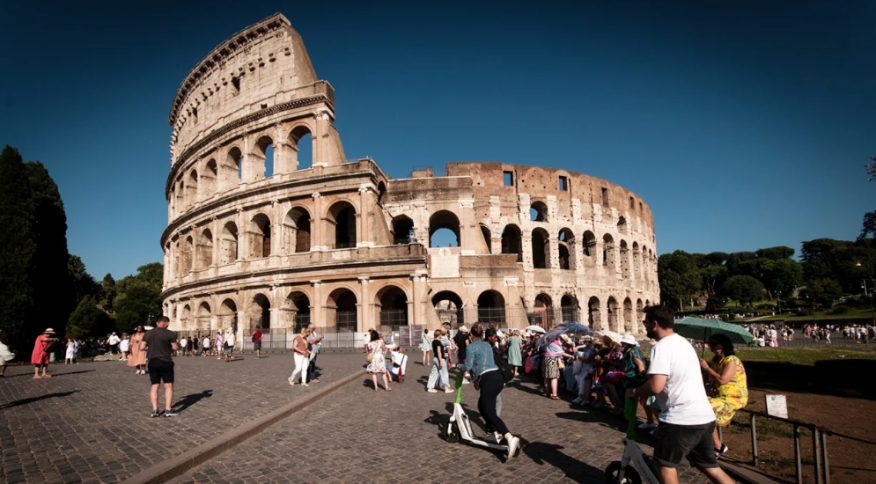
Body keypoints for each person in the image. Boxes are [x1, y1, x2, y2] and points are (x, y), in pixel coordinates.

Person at [628, 306, 734, 484]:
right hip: (704, 416)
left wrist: (635, 392)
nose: (644, 327)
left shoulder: (661, 347)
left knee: (665, 465)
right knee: (709, 466)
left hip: (680, 419)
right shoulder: (684, 343)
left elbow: (655, 386)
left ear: (654, 323)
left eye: (645, 323)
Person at [457, 325, 520, 458]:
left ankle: (509, 437)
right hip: (497, 377)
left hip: (487, 379)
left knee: (490, 412)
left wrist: (458, 365)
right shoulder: (487, 345)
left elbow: (467, 365)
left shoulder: (471, 347)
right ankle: (494, 434)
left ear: (471, 335)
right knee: (481, 406)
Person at [700, 334, 748, 458]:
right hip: (717, 395)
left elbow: (723, 380)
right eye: (709, 343)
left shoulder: (731, 360)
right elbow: (709, 378)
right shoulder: (716, 360)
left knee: (704, 410)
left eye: (714, 343)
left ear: (723, 345)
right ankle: (715, 444)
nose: (710, 346)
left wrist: (706, 368)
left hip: (733, 397)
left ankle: (716, 445)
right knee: (695, 406)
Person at [141, 316, 180, 417]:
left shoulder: (148, 333)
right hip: (165, 361)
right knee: (168, 386)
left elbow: (141, 347)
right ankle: (168, 409)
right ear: (167, 323)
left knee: (154, 386)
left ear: (157, 323)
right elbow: (175, 347)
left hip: (152, 361)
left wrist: (151, 349)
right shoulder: (169, 333)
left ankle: (154, 410)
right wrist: (167, 348)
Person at [572, 335, 596, 405]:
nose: (584, 343)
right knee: (578, 378)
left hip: (589, 368)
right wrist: (576, 348)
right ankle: (581, 396)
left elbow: (589, 359)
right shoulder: (586, 348)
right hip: (584, 367)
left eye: (586, 341)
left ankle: (581, 397)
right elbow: (581, 349)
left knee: (582, 380)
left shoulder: (592, 348)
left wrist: (581, 358)